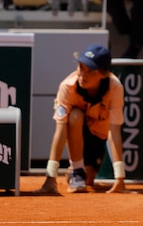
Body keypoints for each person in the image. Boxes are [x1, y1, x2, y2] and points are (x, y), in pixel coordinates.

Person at [34, 44, 126, 195]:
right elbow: (60, 131)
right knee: (75, 115)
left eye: (91, 71)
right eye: (81, 68)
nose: (83, 75)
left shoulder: (115, 87)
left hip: (98, 137)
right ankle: (76, 171)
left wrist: (120, 178)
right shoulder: (67, 87)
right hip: (75, 131)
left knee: (89, 180)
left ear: (103, 74)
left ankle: (79, 171)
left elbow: (114, 132)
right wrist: (50, 176)